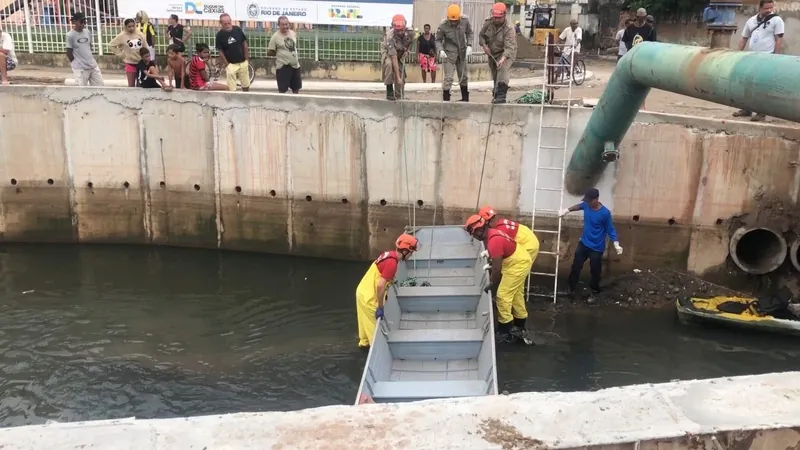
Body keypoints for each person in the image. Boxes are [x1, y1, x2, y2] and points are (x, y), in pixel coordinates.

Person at [465, 215, 532, 344]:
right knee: (516, 293)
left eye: (473, 234)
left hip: (517, 264)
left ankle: (505, 329)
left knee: (503, 296)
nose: (474, 237)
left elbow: (496, 269)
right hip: (518, 259)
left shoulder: (493, 241)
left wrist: (492, 284)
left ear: (479, 231)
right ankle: (520, 322)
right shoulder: (493, 233)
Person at [355, 234, 419, 349]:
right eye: (411, 252)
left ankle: (364, 344)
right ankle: (375, 352)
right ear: (405, 251)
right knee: (376, 334)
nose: (412, 255)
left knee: (364, 335)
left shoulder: (389, 255)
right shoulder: (392, 264)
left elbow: (380, 274)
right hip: (369, 299)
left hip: (362, 292)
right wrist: (380, 307)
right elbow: (380, 285)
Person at [558, 188, 623, 295]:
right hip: (583, 243)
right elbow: (578, 206)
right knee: (576, 266)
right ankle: (571, 287)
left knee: (595, 271)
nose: (587, 202)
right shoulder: (586, 205)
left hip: (597, 248)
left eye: (589, 200)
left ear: (596, 199)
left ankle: (594, 290)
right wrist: (566, 210)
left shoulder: (605, 213)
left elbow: (610, 229)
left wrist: (616, 243)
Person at [734, 0, 784, 122]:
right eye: (766, 8)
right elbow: (744, 38)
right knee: (747, 83)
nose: (769, 10)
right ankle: (746, 109)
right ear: (760, 8)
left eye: (771, 8)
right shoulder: (751, 21)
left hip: (767, 58)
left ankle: (761, 112)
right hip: (752, 57)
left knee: (761, 86)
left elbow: (779, 40)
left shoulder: (777, 20)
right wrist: (736, 54)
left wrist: (775, 57)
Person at [479, 3, 517, 104]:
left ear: (504, 15)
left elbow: (509, 48)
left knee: (502, 69)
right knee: (495, 73)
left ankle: (501, 96)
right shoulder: (488, 23)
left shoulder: (509, 29)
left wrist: (502, 59)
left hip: (507, 53)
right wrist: (484, 46)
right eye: (495, 17)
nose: (496, 20)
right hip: (492, 53)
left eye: (499, 18)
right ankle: (495, 94)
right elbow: (481, 36)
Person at [436, 4, 473, 102]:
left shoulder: (465, 21)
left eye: (455, 21)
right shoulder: (443, 25)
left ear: (459, 18)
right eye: (451, 21)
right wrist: (441, 50)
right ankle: (446, 101)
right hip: (449, 54)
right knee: (448, 78)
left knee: (463, 76)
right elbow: (438, 40)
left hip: (462, 52)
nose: (453, 23)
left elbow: (470, 33)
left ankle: (465, 99)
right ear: (448, 18)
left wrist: (469, 45)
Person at [380, 14, 413, 101]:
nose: (400, 33)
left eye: (402, 30)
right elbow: (394, 58)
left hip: (400, 52)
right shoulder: (390, 37)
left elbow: (411, 41)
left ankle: (399, 95)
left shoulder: (410, 32)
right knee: (389, 65)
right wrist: (397, 78)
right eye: (397, 31)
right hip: (388, 52)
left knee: (401, 72)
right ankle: (389, 91)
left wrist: (407, 50)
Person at [215, 13, 251, 92]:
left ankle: (246, 98)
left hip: (242, 62)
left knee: (246, 84)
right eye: (225, 24)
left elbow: (244, 44)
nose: (228, 25)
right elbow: (220, 51)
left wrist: (246, 59)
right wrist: (227, 65)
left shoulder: (237, 29)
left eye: (229, 23)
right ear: (221, 23)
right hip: (231, 64)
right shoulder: (219, 35)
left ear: (231, 21)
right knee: (231, 88)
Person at [66, 12, 103, 87]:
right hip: (80, 68)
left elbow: (89, 46)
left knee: (100, 87)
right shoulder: (70, 35)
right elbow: (69, 52)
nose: (83, 24)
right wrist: (76, 61)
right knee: (81, 90)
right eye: (81, 22)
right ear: (74, 22)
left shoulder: (87, 32)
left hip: (92, 65)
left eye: (84, 22)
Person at [268, 16, 302, 94]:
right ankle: (281, 106)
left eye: (286, 24)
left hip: (295, 66)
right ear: (278, 25)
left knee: (296, 88)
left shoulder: (293, 33)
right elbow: (270, 52)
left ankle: (296, 105)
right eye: (283, 24)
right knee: (282, 90)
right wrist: (281, 54)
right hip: (283, 67)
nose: (285, 26)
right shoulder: (275, 37)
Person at [109, 18, 146, 87]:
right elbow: (111, 45)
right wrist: (120, 54)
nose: (131, 28)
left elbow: (145, 47)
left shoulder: (140, 34)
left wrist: (147, 59)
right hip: (130, 63)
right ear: (125, 27)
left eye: (133, 26)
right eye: (129, 27)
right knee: (131, 86)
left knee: (141, 85)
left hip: (141, 63)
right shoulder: (121, 36)